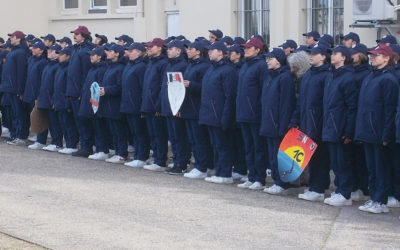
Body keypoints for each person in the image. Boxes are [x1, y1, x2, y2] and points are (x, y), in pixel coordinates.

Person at [355, 44, 398, 214]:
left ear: (387, 58)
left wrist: (387, 134)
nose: (372, 58)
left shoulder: (389, 79)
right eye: (371, 56)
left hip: (379, 132)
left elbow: (390, 109)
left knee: (381, 168)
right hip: (367, 131)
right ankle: (373, 197)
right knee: (372, 168)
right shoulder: (370, 77)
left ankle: (381, 200)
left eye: (377, 55)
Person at [291, 44, 331, 202]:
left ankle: (319, 188)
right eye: (311, 53)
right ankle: (313, 186)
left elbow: (325, 103)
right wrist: (296, 119)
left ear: (323, 56)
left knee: (321, 158)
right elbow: (301, 101)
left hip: (319, 123)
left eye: (315, 54)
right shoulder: (308, 74)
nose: (311, 56)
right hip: (307, 122)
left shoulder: (326, 75)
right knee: (312, 158)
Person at [322, 45, 357, 206]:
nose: (332, 56)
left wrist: (348, 130)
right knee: (335, 161)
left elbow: (351, 106)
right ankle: (339, 190)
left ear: (344, 57)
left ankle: (345, 193)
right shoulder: (331, 75)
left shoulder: (348, 77)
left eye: (336, 54)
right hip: (330, 124)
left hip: (340, 126)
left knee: (343, 161)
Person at [199, 41, 237, 184]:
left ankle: (225, 174)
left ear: (220, 52)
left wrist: (226, 117)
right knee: (215, 145)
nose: (209, 52)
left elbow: (229, 96)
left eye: (212, 50)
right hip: (209, 114)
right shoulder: (211, 69)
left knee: (223, 145)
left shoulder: (228, 70)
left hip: (219, 115)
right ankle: (219, 171)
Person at [260, 48, 296, 194]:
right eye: (267, 58)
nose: (268, 61)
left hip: (277, 123)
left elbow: (286, 104)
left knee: (279, 155)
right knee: (271, 155)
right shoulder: (270, 76)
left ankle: (282, 183)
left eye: (271, 58)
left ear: (279, 60)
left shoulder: (285, 77)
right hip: (268, 121)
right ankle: (276, 180)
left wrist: (282, 126)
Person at [235, 37, 269, 190]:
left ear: (257, 50)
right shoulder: (245, 66)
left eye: (249, 48)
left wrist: (259, 111)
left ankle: (259, 178)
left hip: (255, 114)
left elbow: (264, 91)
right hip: (243, 113)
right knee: (248, 147)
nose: (245, 50)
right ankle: (251, 176)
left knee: (258, 147)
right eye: (245, 47)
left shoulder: (261, 66)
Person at [181, 41, 214, 179]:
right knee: (193, 139)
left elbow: (205, 87)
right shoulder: (190, 65)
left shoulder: (204, 66)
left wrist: (191, 84)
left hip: (197, 107)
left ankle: (202, 167)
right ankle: (198, 165)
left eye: (191, 49)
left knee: (199, 139)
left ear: (199, 51)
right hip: (188, 106)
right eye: (187, 49)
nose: (188, 51)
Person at [159, 40, 191, 175]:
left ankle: (181, 164)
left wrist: (180, 108)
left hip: (177, 107)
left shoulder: (183, 65)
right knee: (173, 137)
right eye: (168, 48)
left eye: (171, 48)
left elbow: (182, 90)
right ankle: (176, 161)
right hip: (168, 105)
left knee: (179, 136)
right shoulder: (169, 65)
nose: (168, 50)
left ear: (178, 51)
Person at [141, 38, 169, 172]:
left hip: (156, 106)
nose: (148, 49)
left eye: (151, 47)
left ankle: (160, 160)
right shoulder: (151, 62)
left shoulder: (163, 63)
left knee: (159, 134)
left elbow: (161, 86)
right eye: (148, 47)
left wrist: (158, 106)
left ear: (159, 48)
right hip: (148, 103)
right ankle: (156, 157)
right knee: (152, 133)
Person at [75, 47, 108, 158]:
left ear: (99, 56)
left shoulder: (102, 69)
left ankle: (101, 150)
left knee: (99, 127)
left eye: (93, 55)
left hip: (96, 104)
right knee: (89, 125)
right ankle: (87, 148)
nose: (90, 57)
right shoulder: (92, 68)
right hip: (88, 101)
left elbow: (99, 88)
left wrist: (95, 103)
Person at [121, 43, 150, 168]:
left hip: (136, 105)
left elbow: (143, 87)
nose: (129, 53)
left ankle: (142, 157)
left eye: (132, 51)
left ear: (139, 52)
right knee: (134, 132)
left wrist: (141, 105)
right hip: (128, 104)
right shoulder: (130, 64)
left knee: (140, 132)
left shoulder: (141, 66)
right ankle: (138, 155)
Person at [98, 44, 128, 164]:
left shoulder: (120, 68)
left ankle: (121, 153)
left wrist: (107, 90)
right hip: (108, 103)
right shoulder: (110, 66)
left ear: (117, 53)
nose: (107, 53)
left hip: (116, 103)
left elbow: (120, 87)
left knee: (119, 130)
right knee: (113, 130)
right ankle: (117, 152)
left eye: (110, 51)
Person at [349, 43, 371, 201]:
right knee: (353, 158)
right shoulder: (351, 72)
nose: (351, 55)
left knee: (361, 158)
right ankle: (355, 186)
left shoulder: (366, 73)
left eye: (354, 53)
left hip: (361, 119)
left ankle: (363, 188)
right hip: (352, 120)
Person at [66, 26, 92, 155]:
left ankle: (86, 147)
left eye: (77, 34)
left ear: (83, 36)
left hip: (79, 92)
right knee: (77, 120)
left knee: (83, 121)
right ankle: (83, 145)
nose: (74, 36)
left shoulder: (85, 51)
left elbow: (85, 74)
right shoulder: (76, 50)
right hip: (72, 91)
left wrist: (82, 92)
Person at [1, 31, 29, 146]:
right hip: (9, 88)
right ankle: (14, 135)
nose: (10, 39)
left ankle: (21, 136)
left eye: (12, 37)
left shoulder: (21, 53)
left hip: (16, 89)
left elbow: (21, 73)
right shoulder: (13, 51)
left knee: (19, 113)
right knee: (13, 113)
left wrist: (20, 90)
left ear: (18, 39)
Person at [38, 44, 64, 152]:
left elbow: (56, 85)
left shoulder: (57, 66)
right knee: (47, 120)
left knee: (55, 122)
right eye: (49, 50)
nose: (49, 51)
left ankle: (57, 143)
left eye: (52, 50)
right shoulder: (48, 65)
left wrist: (53, 99)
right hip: (45, 97)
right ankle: (46, 141)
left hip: (52, 98)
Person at [22, 41, 48, 150]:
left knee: (40, 117)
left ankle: (41, 140)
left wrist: (40, 94)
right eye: (33, 47)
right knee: (33, 116)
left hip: (37, 94)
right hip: (29, 93)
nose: (32, 49)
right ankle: (36, 136)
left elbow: (42, 80)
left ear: (41, 50)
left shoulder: (43, 62)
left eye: (36, 48)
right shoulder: (31, 60)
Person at [227, 43, 247, 180]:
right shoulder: (232, 68)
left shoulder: (242, 68)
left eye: (232, 52)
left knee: (242, 143)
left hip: (244, 111)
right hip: (235, 110)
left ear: (238, 54)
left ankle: (243, 169)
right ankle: (238, 167)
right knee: (235, 142)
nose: (229, 54)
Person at [54, 46, 77, 154]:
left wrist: (68, 102)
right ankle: (67, 144)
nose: (59, 56)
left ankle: (71, 145)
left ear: (68, 56)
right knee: (62, 123)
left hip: (65, 100)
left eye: (62, 54)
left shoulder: (69, 69)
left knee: (69, 124)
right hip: (58, 100)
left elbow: (68, 86)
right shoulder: (59, 67)